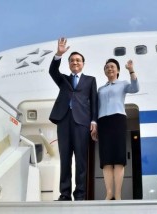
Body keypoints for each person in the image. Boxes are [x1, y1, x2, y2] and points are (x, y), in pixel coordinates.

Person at [49, 38, 98, 201]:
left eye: (78, 60)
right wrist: (58, 54)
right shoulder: (63, 79)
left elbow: (94, 101)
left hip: (82, 122)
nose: (75, 62)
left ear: (83, 63)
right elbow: (52, 71)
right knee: (65, 158)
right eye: (72, 60)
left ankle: (80, 194)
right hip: (64, 120)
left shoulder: (90, 80)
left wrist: (94, 121)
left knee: (81, 160)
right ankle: (64, 194)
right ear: (69, 63)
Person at [92, 58, 139, 200]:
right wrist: (95, 125)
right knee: (106, 159)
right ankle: (109, 193)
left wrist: (131, 70)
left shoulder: (123, 84)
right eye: (106, 67)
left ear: (118, 70)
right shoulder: (100, 89)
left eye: (112, 66)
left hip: (118, 120)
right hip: (103, 122)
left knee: (118, 158)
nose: (109, 69)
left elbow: (135, 88)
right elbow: (96, 108)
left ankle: (118, 194)